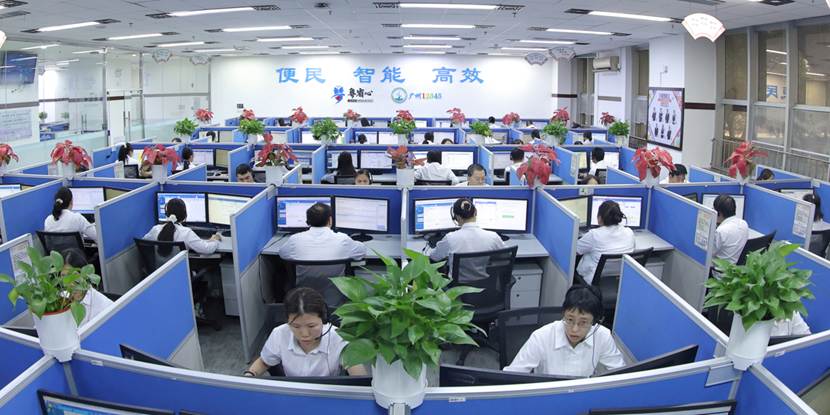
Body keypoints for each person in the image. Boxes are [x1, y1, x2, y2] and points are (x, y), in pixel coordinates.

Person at [243, 287, 367, 377]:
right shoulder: (280, 333)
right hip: (293, 394)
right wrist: (250, 375)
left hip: (327, 395)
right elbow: (264, 362)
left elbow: (359, 377)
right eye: (296, 326)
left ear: (323, 319)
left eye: (311, 326)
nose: (304, 334)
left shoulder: (339, 337)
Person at [504, 285, 625, 377]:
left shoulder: (602, 335)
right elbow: (511, 376)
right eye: (570, 320)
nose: (574, 329)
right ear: (563, 314)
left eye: (583, 322)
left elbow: (621, 374)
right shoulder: (542, 336)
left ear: (595, 322)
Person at [279, 203, 367, 261]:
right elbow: (362, 252)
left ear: (308, 221)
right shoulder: (342, 239)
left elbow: (282, 254)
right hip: (336, 284)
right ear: (330, 220)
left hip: (304, 285)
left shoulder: (295, 239)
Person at [576, 201, 635, 284]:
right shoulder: (629, 232)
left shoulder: (594, 235)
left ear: (600, 217)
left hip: (595, 282)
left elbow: (574, 251)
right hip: (621, 281)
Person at [428, 198, 505, 263]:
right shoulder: (493, 237)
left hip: (458, 277)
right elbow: (506, 255)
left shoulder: (450, 239)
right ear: (475, 212)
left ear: (457, 217)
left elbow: (434, 257)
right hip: (485, 276)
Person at [143, 198, 221, 255]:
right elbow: (207, 249)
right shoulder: (186, 233)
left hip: (158, 271)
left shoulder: (155, 229)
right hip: (180, 271)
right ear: (184, 215)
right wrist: (215, 240)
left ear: (166, 214)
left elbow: (143, 242)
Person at [63, 248, 113, 327]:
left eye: (74, 275)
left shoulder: (105, 307)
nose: (69, 283)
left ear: (85, 274)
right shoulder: (59, 299)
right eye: (63, 276)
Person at [712, 195, 749, 264]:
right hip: (736, 268)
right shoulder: (744, 224)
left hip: (720, 269)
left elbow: (710, 253)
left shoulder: (720, 231)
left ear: (719, 213)